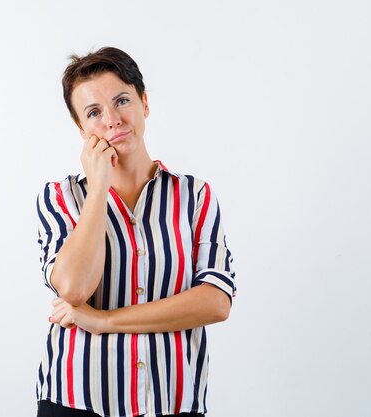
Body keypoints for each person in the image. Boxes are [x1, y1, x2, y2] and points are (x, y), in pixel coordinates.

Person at [35, 47, 236, 417]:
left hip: (171, 400)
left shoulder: (194, 196)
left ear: (144, 103)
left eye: (122, 101)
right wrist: (98, 187)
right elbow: (75, 288)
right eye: (94, 113)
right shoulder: (61, 197)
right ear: (81, 129)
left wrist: (105, 320)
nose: (112, 120)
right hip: (78, 400)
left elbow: (216, 302)